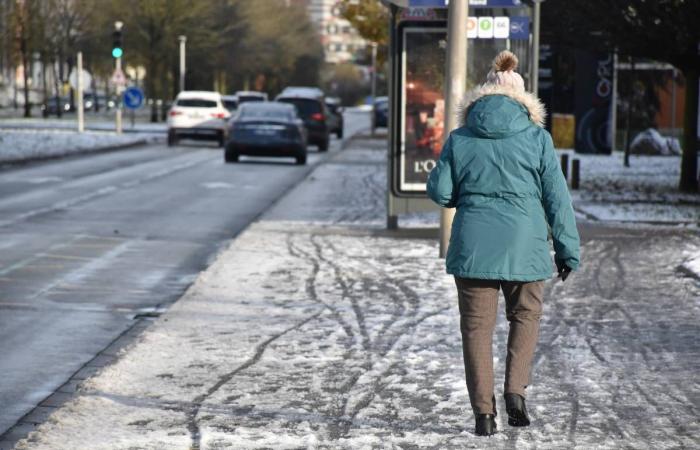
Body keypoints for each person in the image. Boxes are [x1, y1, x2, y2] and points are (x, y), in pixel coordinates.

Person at [427, 50, 580, 436]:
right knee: (525, 316)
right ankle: (515, 392)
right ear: (524, 101)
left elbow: (441, 191)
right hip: (524, 243)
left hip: (474, 246)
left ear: (483, 97)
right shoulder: (537, 139)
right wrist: (567, 250)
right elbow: (556, 199)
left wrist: (466, 191)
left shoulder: (460, 138)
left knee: (477, 329)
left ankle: (483, 414)